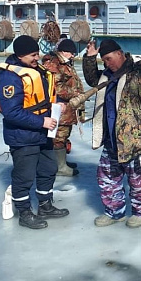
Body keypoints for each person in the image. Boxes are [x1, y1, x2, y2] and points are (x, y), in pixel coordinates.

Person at [82, 39, 141, 228]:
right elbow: (91, 79)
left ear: (120, 53)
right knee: (107, 177)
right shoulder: (107, 75)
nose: (107, 63)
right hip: (111, 139)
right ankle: (114, 212)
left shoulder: (140, 75)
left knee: (137, 179)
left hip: (134, 140)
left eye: (109, 58)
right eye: (103, 60)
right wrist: (90, 58)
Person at [0, 35, 69, 229]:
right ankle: (24, 212)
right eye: (33, 55)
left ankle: (45, 205)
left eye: (37, 54)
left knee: (48, 169)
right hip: (22, 135)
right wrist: (41, 121)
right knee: (24, 175)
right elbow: (11, 112)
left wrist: (58, 103)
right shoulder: (9, 77)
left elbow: (46, 94)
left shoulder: (37, 71)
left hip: (43, 133)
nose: (37, 58)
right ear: (21, 55)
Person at [41, 37, 83, 177]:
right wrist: (76, 94)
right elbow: (56, 88)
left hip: (67, 107)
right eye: (71, 53)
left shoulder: (64, 63)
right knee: (59, 137)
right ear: (64, 52)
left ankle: (62, 161)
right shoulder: (54, 64)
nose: (73, 56)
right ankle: (60, 167)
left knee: (64, 136)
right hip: (59, 108)